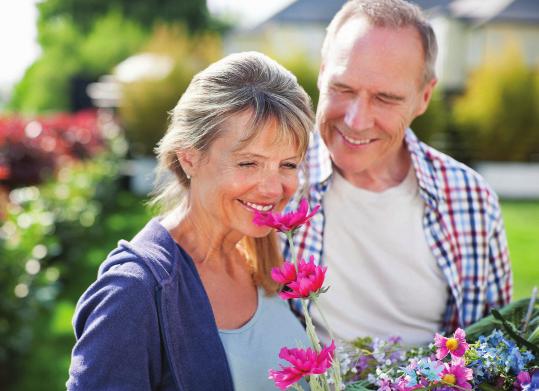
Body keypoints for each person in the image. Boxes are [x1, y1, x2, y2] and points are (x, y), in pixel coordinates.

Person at [67, 52, 315, 390]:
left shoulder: (269, 256)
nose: (274, 189)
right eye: (248, 164)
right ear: (190, 159)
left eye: (288, 164)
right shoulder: (134, 291)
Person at [283, 0, 512, 346]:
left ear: (423, 97)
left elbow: (498, 345)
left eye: (385, 99)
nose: (356, 120)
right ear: (321, 73)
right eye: (343, 89)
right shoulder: (273, 184)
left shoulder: (471, 199)